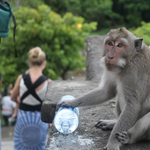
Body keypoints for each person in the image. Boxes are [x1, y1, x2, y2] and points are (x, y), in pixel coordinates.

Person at [11, 47, 52, 150]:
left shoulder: (21, 78)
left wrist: (20, 99)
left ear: (30, 62)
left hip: (23, 120)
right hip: (40, 121)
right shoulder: (48, 82)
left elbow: (12, 98)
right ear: (44, 63)